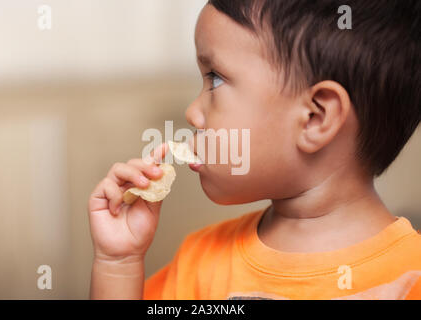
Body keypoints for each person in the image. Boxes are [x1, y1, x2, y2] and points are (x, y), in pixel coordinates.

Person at [88, 0, 421, 299]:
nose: (192, 113)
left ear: (315, 118)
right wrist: (118, 263)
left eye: (215, 79)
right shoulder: (200, 261)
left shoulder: (412, 277)